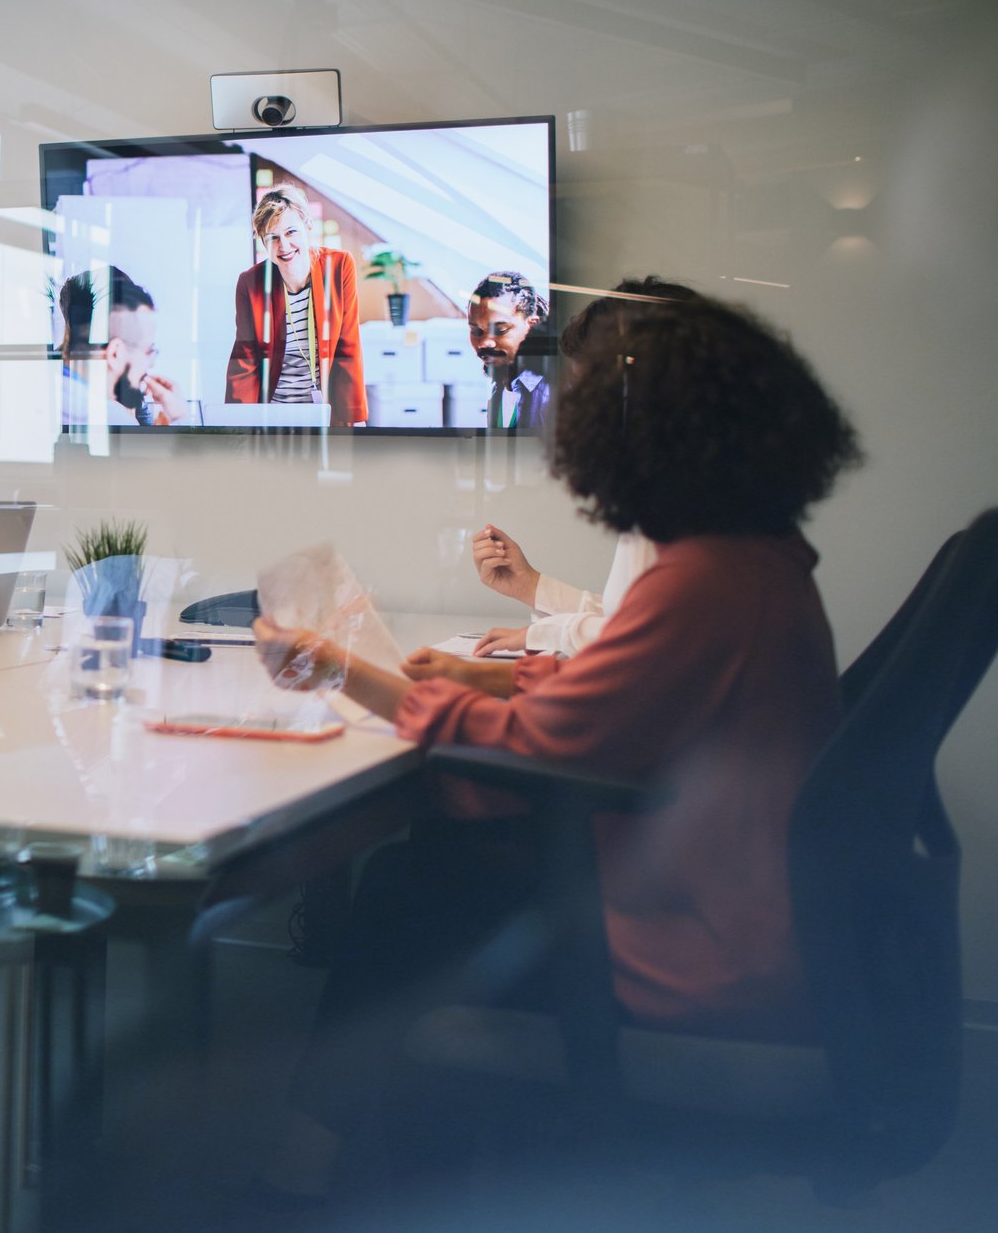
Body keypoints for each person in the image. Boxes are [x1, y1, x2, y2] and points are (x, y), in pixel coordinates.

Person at [252, 289, 859, 1194]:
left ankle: (320, 1175)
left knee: (412, 888)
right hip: (726, 904)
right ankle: (348, 1151)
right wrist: (477, 677)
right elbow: (627, 698)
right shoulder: (748, 558)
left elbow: (537, 754)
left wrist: (343, 671)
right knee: (427, 877)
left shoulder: (706, 580)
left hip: (691, 950)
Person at [460, 278, 701, 665]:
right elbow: (633, 620)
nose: (582, 412)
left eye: (591, 393)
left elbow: (636, 646)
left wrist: (528, 645)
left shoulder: (676, 500)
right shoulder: (702, 482)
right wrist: (529, 586)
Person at [225, 185, 367, 426]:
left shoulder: (339, 266)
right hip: (275, 413)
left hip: (325, 413)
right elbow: (244, 359)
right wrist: (238, 425)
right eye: (273, 238)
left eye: (291, 232)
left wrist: (354, 419)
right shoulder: (250, 283)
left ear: (307, 226)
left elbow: (348, 347)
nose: (283, 246)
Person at [54, 266, 188, 426]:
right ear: (115, 353)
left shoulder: (55, 383)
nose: (151, 363)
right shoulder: (107, 415)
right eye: (148, 350)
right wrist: (179, 418)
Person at [465, 270, 552, 431]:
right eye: (476, 331)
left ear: (532, 326)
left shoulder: (549, 396)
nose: (485, 343)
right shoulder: (501, 385)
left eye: (501, 330)